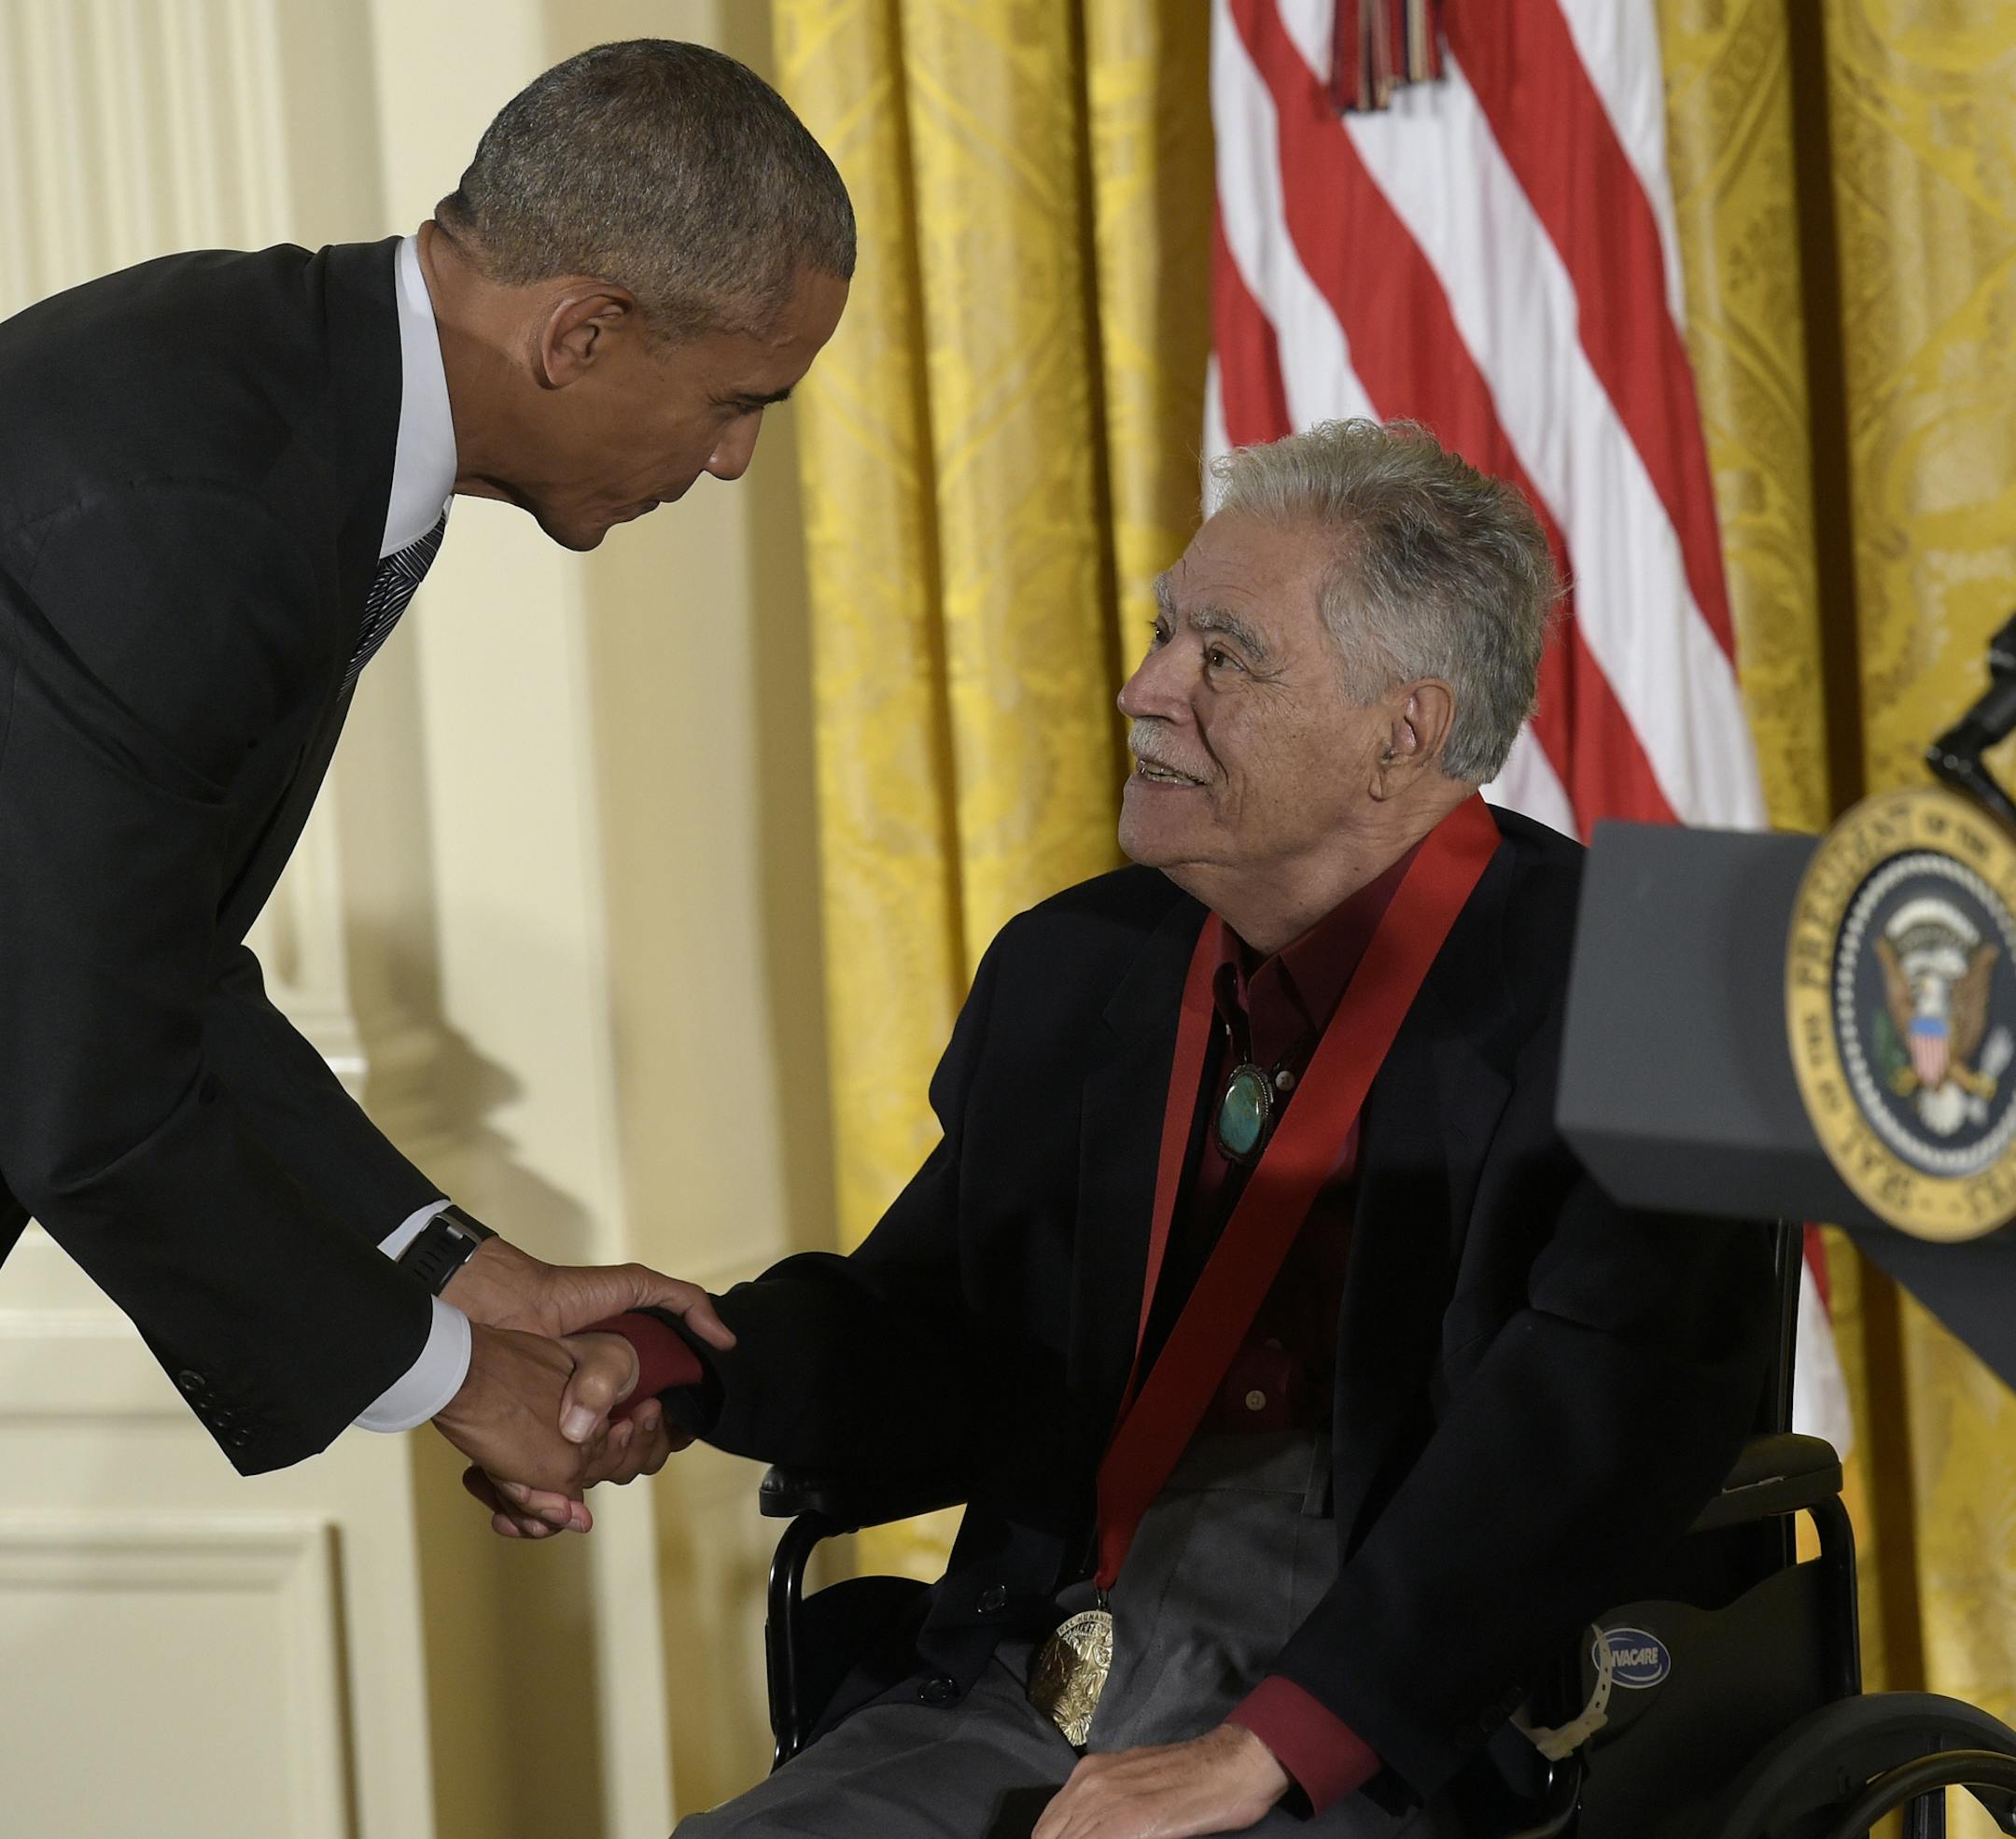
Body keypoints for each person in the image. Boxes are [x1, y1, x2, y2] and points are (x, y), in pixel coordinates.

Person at [539, 419, 1778, 1833]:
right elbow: (934, 1326)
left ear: (1405, 731)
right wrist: (670, 1366)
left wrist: (1272, 1747)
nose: (1143, 690)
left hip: (1422, 1723)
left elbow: (1589, 1447)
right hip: (1043, 1684)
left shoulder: (1670, 995)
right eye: (1162, 633)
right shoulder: (1072, 968)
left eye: (1222, 656)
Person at [0, 39, 851, 1520]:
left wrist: (463, 1264)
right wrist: (457, 1374)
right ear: (583, 333)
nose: (734, 458)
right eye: (736, 396)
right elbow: (86, 1076)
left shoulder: (278, 390)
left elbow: (146, 960)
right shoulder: (198, 503)